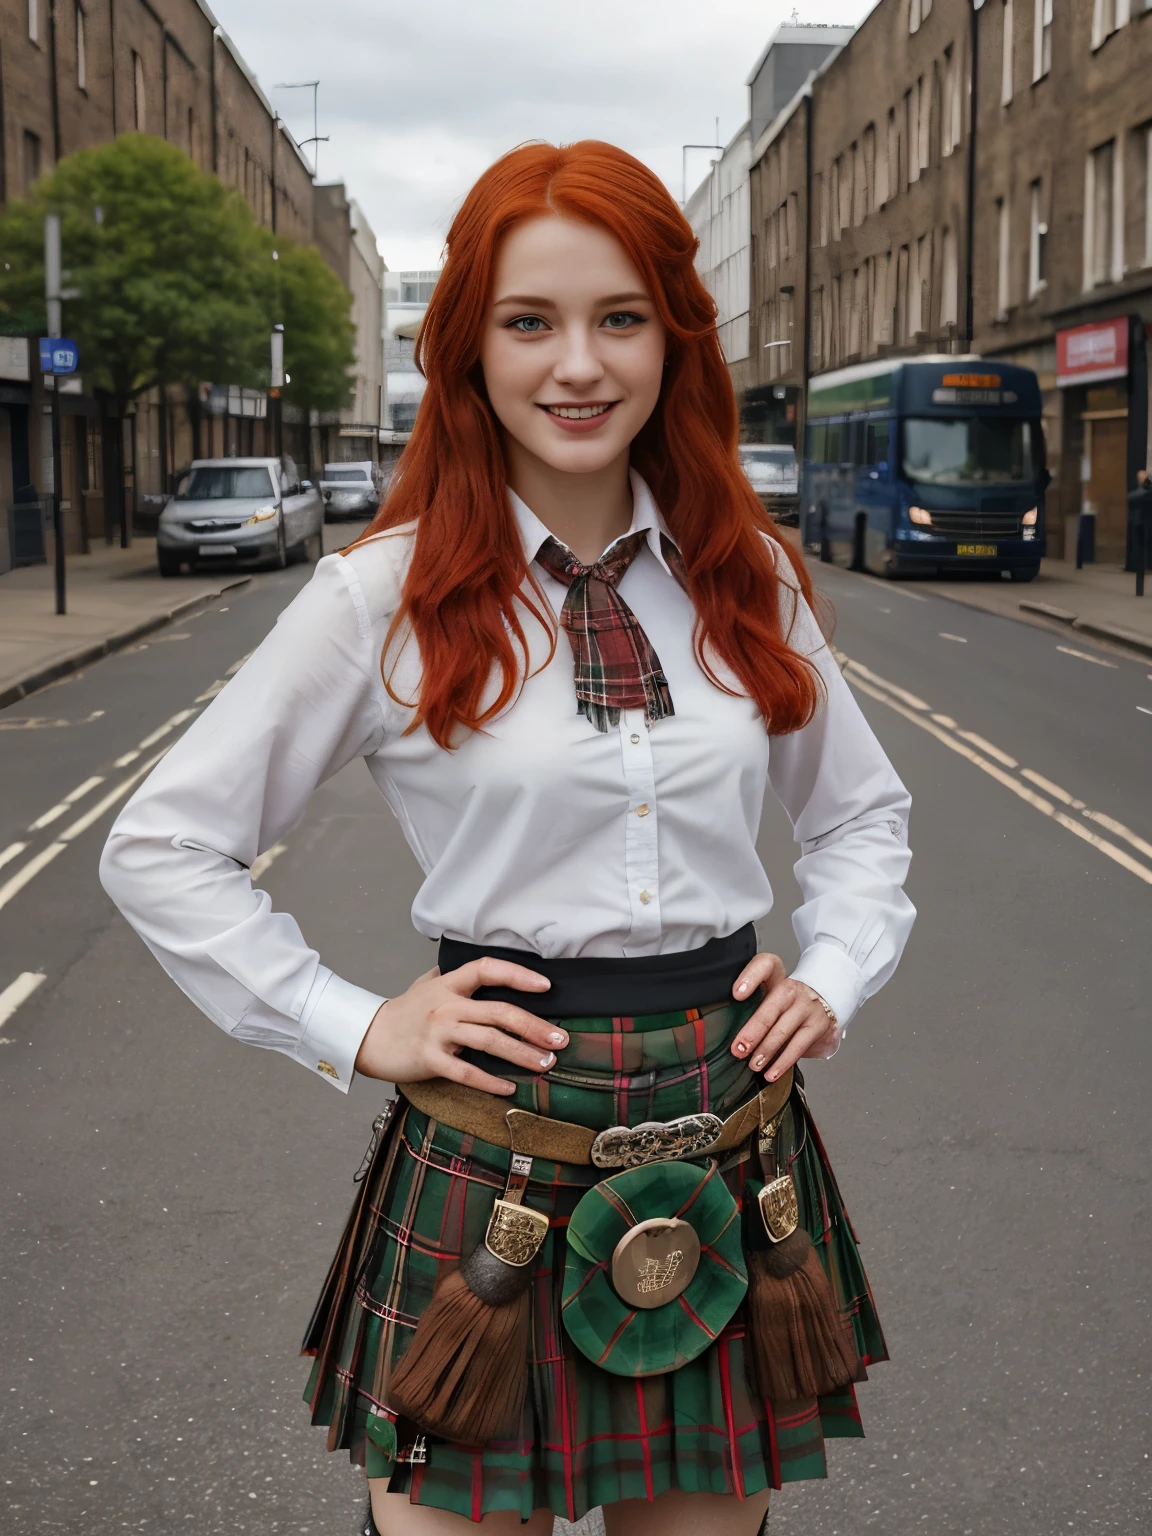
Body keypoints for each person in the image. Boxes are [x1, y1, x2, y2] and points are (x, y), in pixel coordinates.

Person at [100, 141, 915, 1536]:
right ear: (467, 348)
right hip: (493, 1143)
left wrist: (833, 969)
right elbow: (162, 845)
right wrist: (351, 1022)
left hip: (728, 1129)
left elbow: (859, 818)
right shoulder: (383, 598)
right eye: (530, 322)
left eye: (619, 318)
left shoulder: (748, 577)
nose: (578, 364)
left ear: (675, 336)